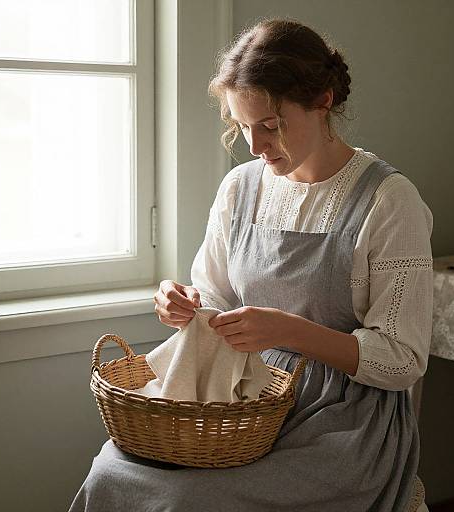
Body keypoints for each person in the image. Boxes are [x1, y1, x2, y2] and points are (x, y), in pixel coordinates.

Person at [69, 18, 433, 512]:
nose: (255, 147)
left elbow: (403, 360)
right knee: (111, 471)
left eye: (271, 125)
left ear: (323, 100)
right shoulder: (242, 188)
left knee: (183, 498)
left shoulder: (389, 201)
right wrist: (184, 306)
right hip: (240, 402)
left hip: (342, 420)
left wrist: (290, 331)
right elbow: (215, 297)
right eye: (242, 127)